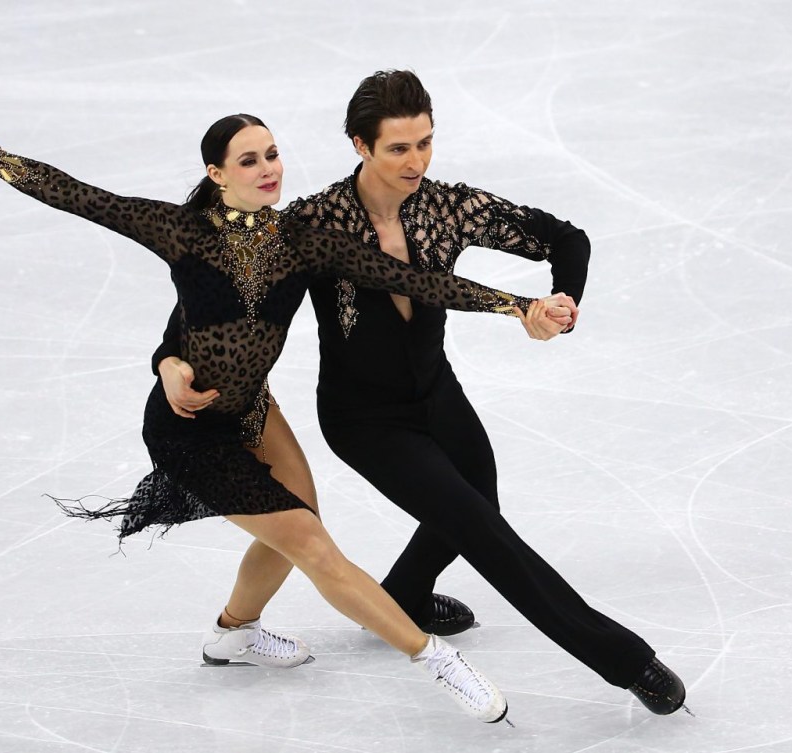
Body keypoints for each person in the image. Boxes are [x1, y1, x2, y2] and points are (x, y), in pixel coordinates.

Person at [0, 115, 576, 723]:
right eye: (249, 159)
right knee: (312, 546)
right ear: (216, 173)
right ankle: (436, 661)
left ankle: (233, 631)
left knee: (298, 523)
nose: (268, 168)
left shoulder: (301, 241)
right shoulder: (178, 230)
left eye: (273, 153)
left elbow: (413, 280)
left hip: (254, 413)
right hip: (186, 429)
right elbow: (77, 194)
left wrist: (516, 306)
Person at [153, 72, 688, 716]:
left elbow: (566, 238)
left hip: (437, 395)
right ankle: (625, 660)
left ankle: (405, 591)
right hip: (364, 419)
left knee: (477, 496)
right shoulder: (313, 225)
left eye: (426, 143)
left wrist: (562, 303)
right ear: (360, 145)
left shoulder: (448, 208)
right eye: (399, 149)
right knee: (486, 534)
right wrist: (169, 357)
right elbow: (216, 297)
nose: (417, 162)